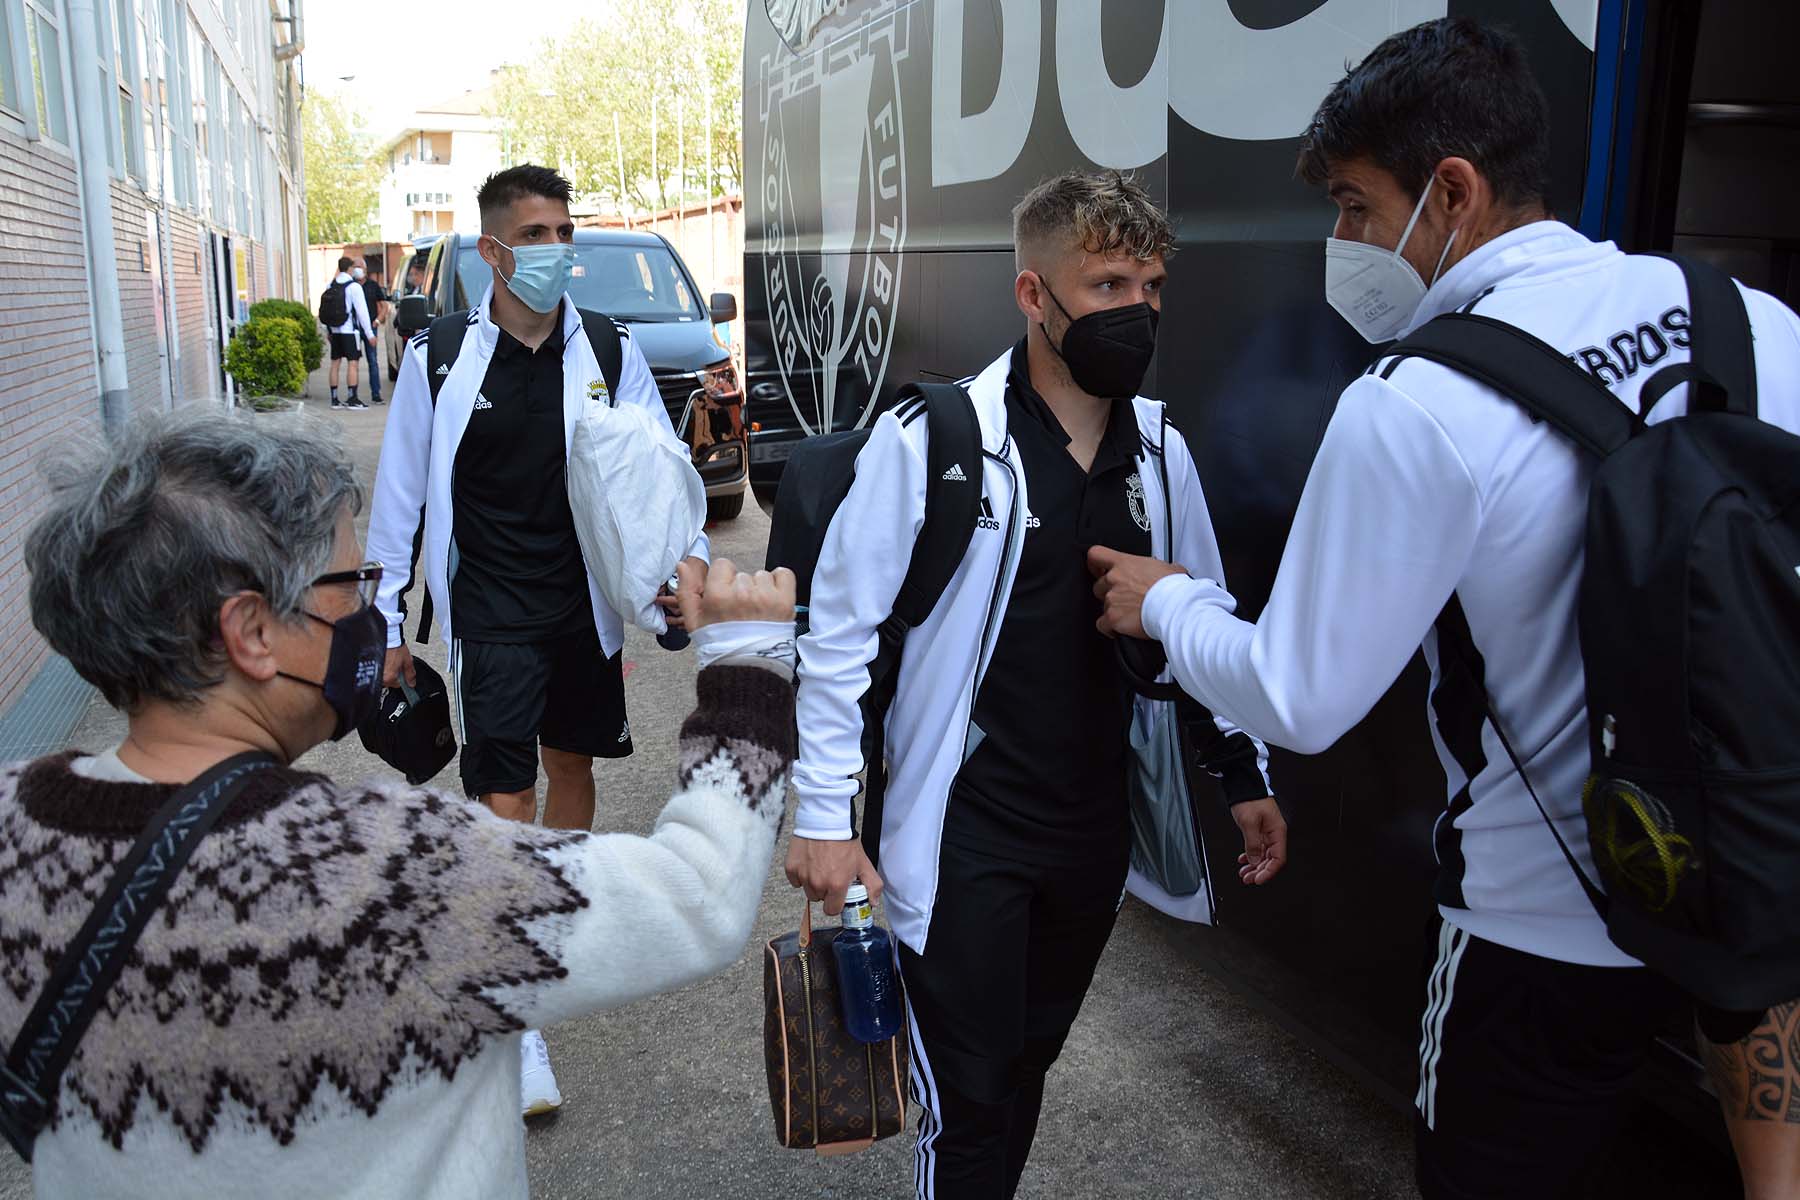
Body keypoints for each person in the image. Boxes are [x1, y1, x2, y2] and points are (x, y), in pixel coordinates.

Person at [1086, 18, 1800, 1199]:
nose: (1344, 242)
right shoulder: (1756, 325)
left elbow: (1298, 695)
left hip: (1538, 929)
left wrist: (1169, 603)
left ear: (1453, 192)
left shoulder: (1422, 401)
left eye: (1359, 208)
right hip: (1755, 866)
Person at [6, 408, 796, 1199]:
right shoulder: (390, 880)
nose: (371, 619)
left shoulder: (15, 839)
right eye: (353, 588)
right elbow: (697, 897)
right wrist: (747, 665)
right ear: (251, 631)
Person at [786, 170, 1285, 1199]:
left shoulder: (1163, 458)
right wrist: (826, 816)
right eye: (1105, 286)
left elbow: (1203, 623)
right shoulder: (936, 446)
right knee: (965, 1098)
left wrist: (1243, 775)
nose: (1135, 311)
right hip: (965, 833)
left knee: (1023, 1067)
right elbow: (839, 638)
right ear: (1032, 295)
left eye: (1150, 286)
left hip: (1089, 835)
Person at [363, 163, 709, 1116]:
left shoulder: (605, 345)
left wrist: (689, 563)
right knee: (501, 792)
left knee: (573, 770)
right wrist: (387, 622)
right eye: (538, 235)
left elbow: (658, 469)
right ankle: (513, 1009)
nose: (558, 250)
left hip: (583, 607)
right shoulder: (441, 359)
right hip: (492, 615)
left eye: (566, 230)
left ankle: (545, 918)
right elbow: (400, 501)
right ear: (492, 251)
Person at [325, 254, 375, 411]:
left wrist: (328, 330)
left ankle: (334, 399)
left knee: (335, 363)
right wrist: (370, 334)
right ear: (350, 268)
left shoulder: (330, 285)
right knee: (353, 364)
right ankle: (352, 398)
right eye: (355, 268)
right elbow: (362, 313)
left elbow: (327, 310)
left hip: (334, 331)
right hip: (349, 331)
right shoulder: (354, 287)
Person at [357, 261, 390, 404]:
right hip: (355, 329)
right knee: (353, 362)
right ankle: (353, 394)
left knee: (373, 361)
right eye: (355, 266)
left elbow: (384, 306)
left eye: (360, 266)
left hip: (371, 327)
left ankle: (376, 393)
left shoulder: (373, 285)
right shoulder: (351, 286)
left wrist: (377, 321)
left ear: (365, 269)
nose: (358, 269)